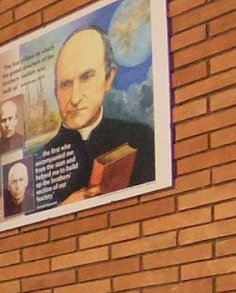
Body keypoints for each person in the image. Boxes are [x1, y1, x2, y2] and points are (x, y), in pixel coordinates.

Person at [36, 25, 155, 208]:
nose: (75, 98)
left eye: (86, 77)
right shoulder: (39, 162)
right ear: (56, 91)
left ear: (108, 78)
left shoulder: (141, 138)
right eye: (65, 84)